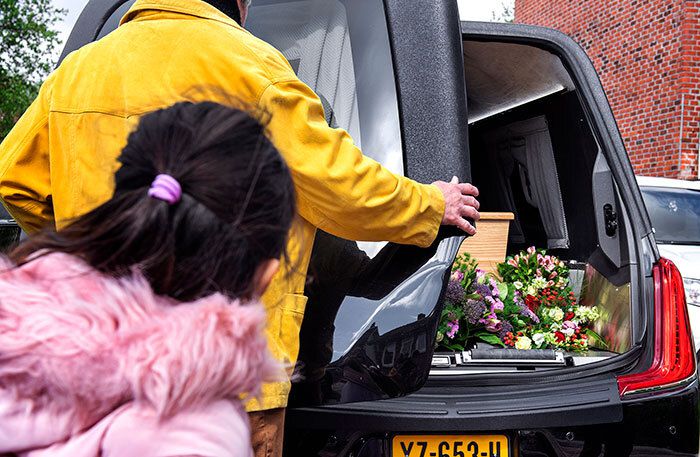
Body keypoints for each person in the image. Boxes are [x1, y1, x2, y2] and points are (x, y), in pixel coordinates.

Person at [0, 0, 480, 454]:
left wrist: (95, 249)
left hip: (96, 362)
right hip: (227, 375)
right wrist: (429, 204)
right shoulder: (255, 67)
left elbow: (14, 179)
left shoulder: (76, 74)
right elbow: (341, 187)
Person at [0, 101, 293, 456]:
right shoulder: (198, 433)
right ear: (266, 276)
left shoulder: (12, 320)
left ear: (131, 210)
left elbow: (12, 177)